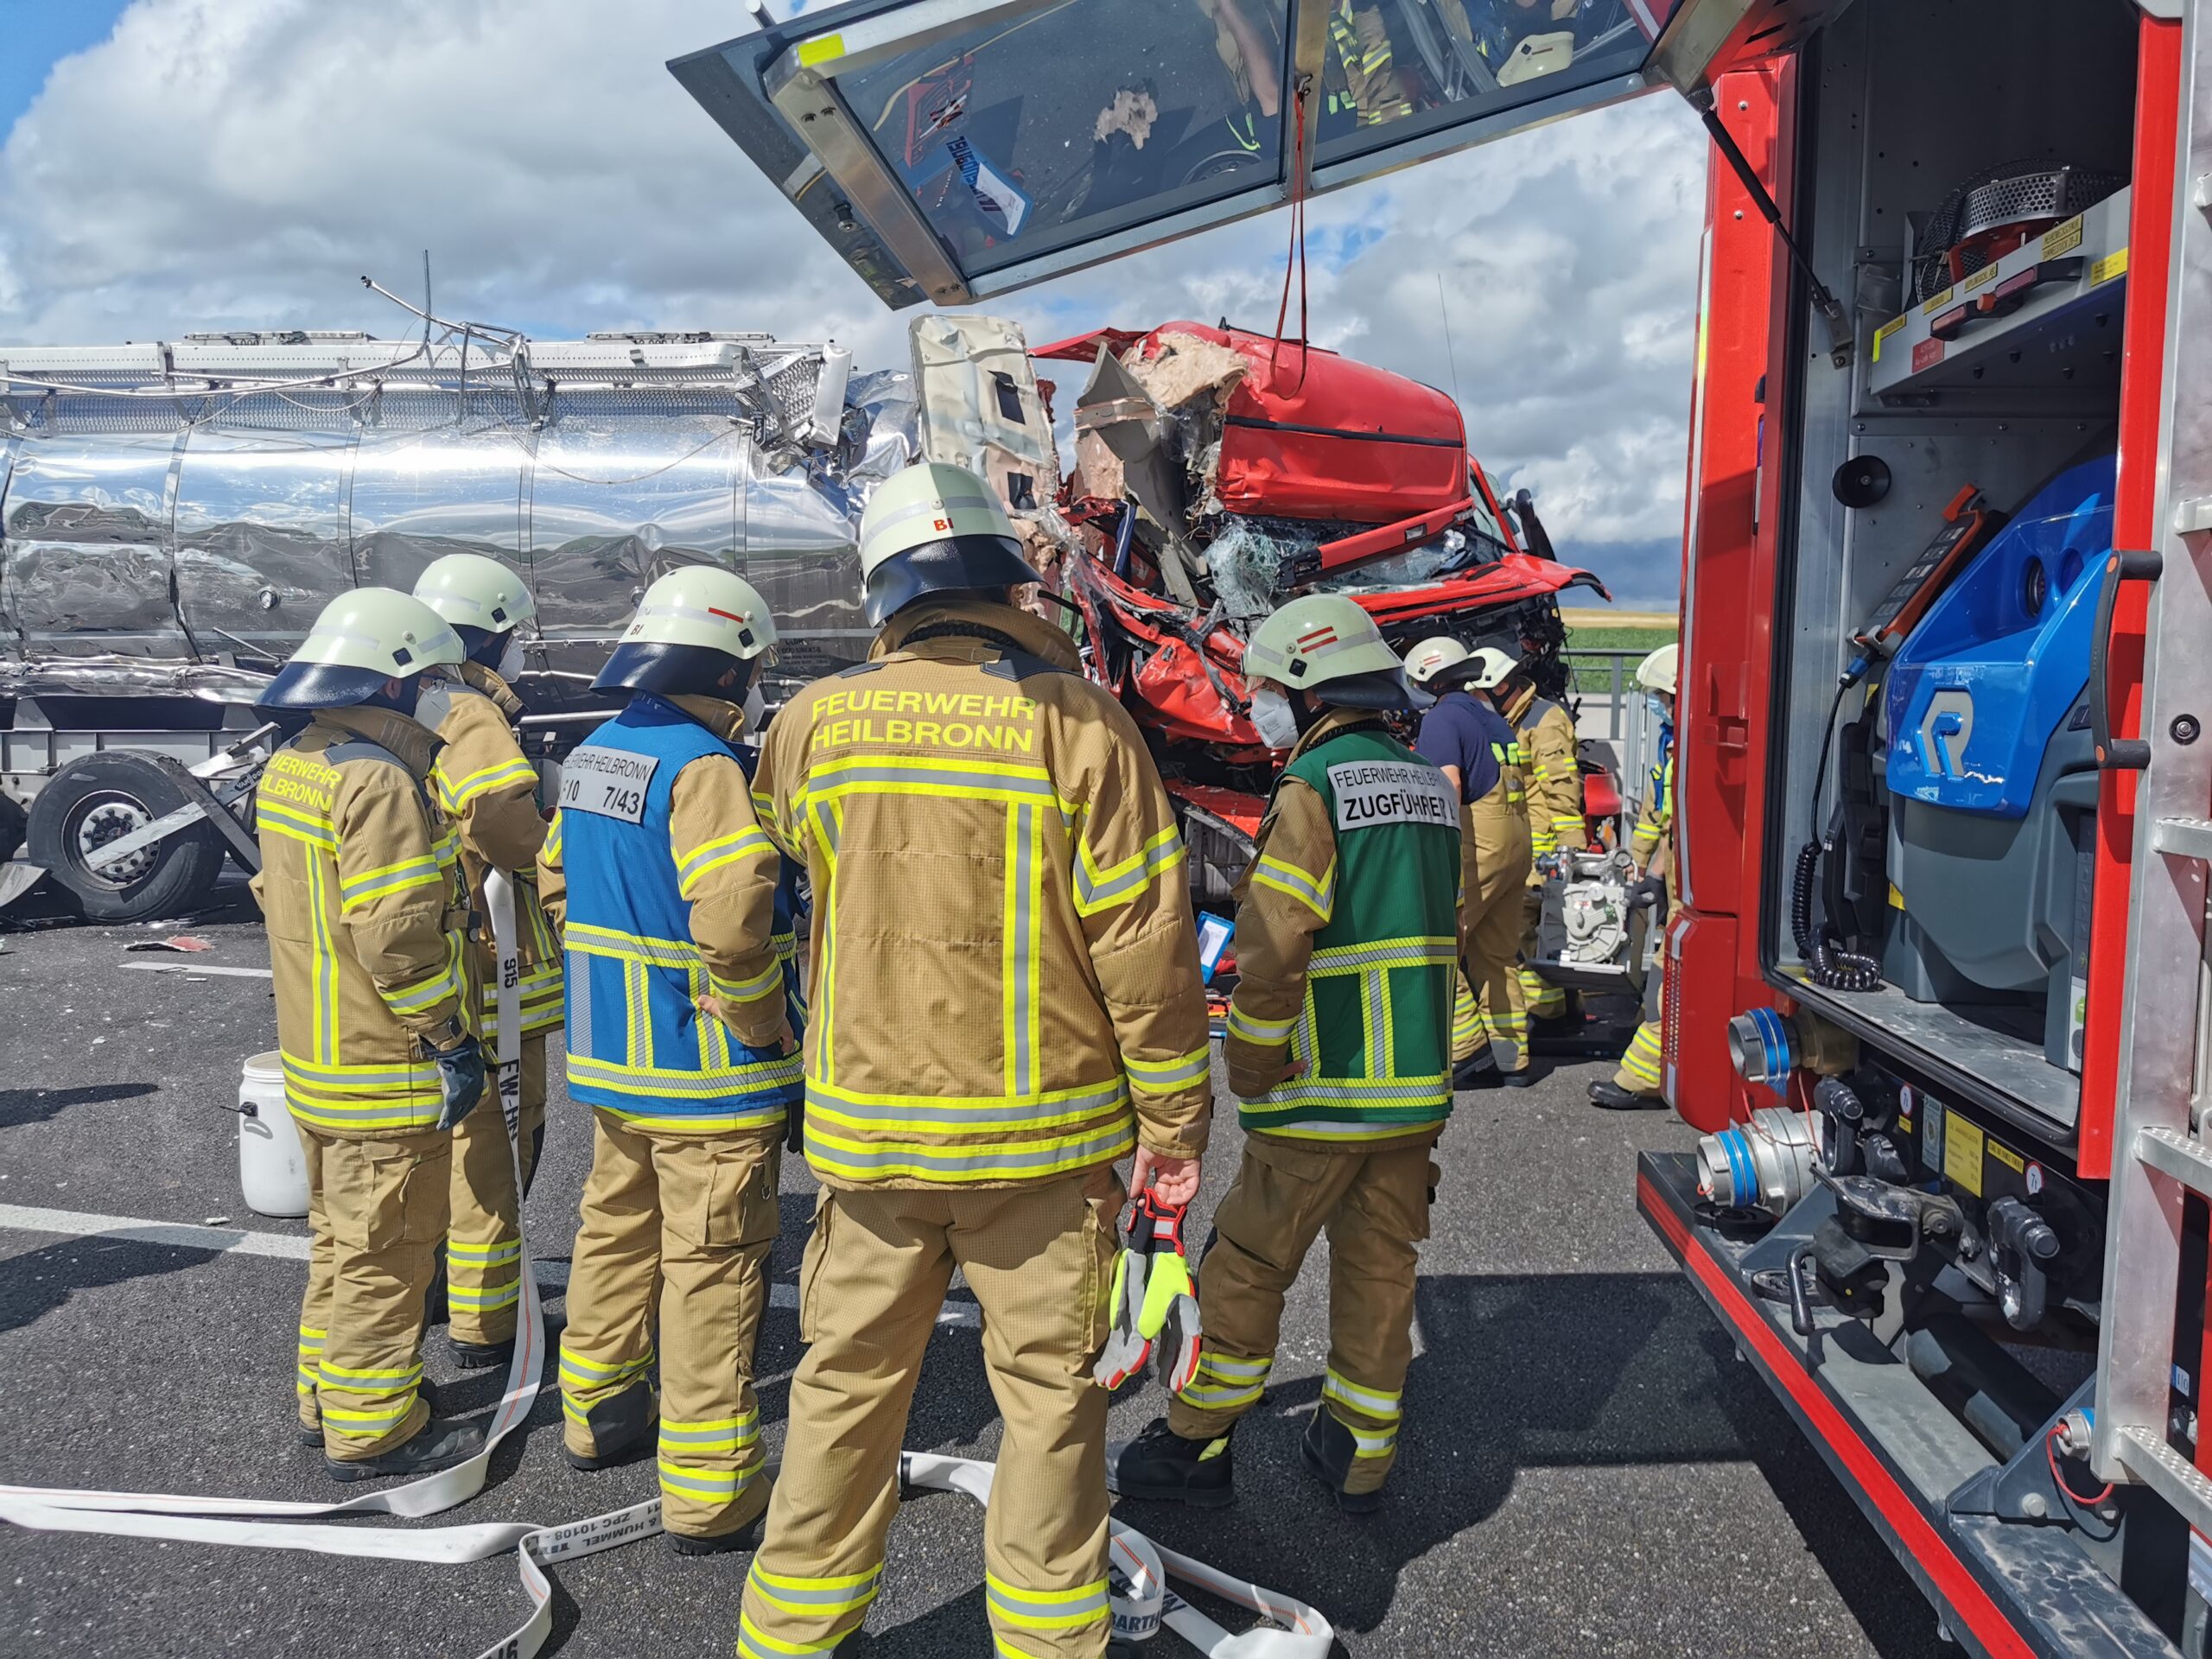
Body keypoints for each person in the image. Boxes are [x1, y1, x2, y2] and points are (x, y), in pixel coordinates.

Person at [738, 461, 1212, 1659]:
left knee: (844, 1386)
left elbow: (777, 876)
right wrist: (1175, 1128)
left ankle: (791, 1633)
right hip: (1045, 1152)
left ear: (885, 593)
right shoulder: (1079, 724)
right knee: (1051, 1404)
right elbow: (1145, 950)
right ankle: (1049, 1637)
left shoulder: (812, 722)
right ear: (1008, 585)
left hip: (869, 1144)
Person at [1107, 594, 1458, 1516]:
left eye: (1268, 690)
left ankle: (1195, 1442)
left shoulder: (1314, 786)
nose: (1259, 706)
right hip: (1411, 1092)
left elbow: (1273, 943)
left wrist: (1253, 1064)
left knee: (1248, 1266)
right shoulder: (1427, 784)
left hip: (1321, 1091)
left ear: (1309, 690)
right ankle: (1359, 1453)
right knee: (1380, 1268)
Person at [537, 565, 803, 1555]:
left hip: (616, 1071)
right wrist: (766, 1031)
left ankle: (598, 1412)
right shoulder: (705, 768)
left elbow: (555, 883)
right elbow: (733, 926)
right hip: (708, 1079)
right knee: (710, 1269)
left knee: (614, 1231)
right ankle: (710, 1492)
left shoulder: (596, 753)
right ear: (726, 670)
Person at [251, 588, 486, 1480]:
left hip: (318, 1061)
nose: (441, 694)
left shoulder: (296, 764)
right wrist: (449, 1037)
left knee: (340, 1240)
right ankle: (374, 1426)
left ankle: (325, 1397)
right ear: (391, 683)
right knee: (389, 1252)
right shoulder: (378, 781)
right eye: (431, 678)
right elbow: (397, 939)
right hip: (384, 1065)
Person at [410, 553, 560, 1369]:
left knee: (451, 1141)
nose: (519, 652)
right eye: (514, 636)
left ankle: (440, 1287)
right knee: (500, 1141)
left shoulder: (411, 699)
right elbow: (500, 817)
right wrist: (553, 845)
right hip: (492, 960)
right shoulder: (470, 710)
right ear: (488, 635)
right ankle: (487, 1320)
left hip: (444, 957)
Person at [1405, 639, 1533, 1087]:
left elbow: (1449, 786)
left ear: (1427, 679)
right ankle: (1512, 1059)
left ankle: (1467, 1049)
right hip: (1516, 845)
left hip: (1479, 847)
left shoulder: (1441, 719)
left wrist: (1431, 853)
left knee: (1433, 940)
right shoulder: (1490, 717)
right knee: (1495, 955)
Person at [1591, 643, 1677, 1111]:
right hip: (1673, 877)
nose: (1659, 705)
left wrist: (1657, 873)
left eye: (1663, 697)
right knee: (1662, 976)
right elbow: (1653, 814)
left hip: (1682, 881)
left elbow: (1676, 825)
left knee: (1669, 977)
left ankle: (1642, 1077)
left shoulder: (1687, 749)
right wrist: (1637, 864)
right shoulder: (1671, 744)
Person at [1496, 645, 1586, 1029]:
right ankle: (1559, 1009)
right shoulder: (1516, 718)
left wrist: (1569, 850)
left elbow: (1561, 789)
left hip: (1542, 846)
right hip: (1527, 840)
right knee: (1539, 931)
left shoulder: (1543, 720)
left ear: (1502, 686)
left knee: (1526, 929)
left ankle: (1548, 1014)